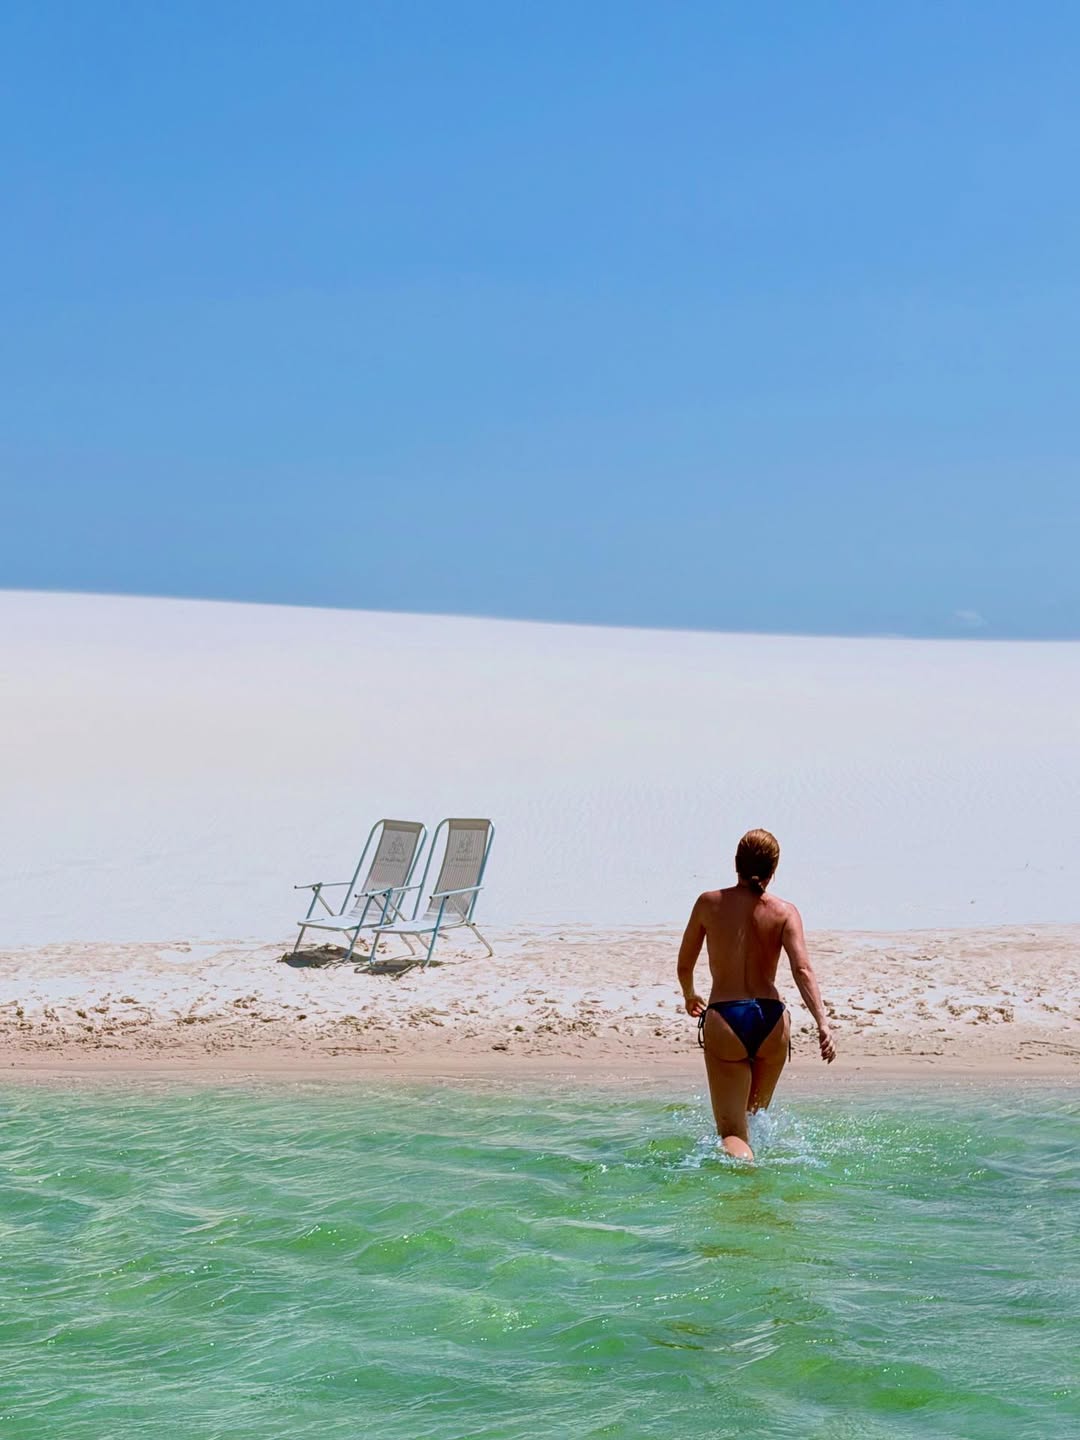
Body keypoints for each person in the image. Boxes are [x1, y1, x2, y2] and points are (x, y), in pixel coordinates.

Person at [677, 828, 835, 1161]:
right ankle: (760, 1179)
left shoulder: (708, 903)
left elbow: (684, 964)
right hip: (772, 1022)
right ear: (773, 871)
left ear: (735, 863)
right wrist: (823, 1023)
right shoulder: (784, 912)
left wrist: (690, 994)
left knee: (733, 1133)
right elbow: (803, 970)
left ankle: (745, 1184)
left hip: (726, 1018)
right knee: (753, 1120)